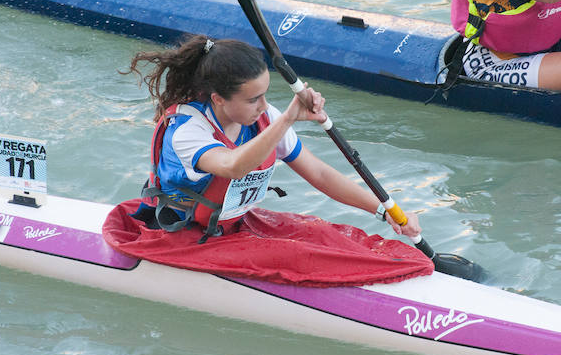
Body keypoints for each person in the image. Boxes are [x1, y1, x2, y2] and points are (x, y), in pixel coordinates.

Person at [122, 35, 421, 242]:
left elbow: (318, 173)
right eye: (254, 99)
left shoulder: (264, 117)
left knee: (325, 239)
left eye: (265, 94)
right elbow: (234, 166)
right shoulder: (187, 132)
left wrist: (385, 211)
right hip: (180, 233)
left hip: (231, 227)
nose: (264, 106)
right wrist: (289, 118)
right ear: (219, 99)